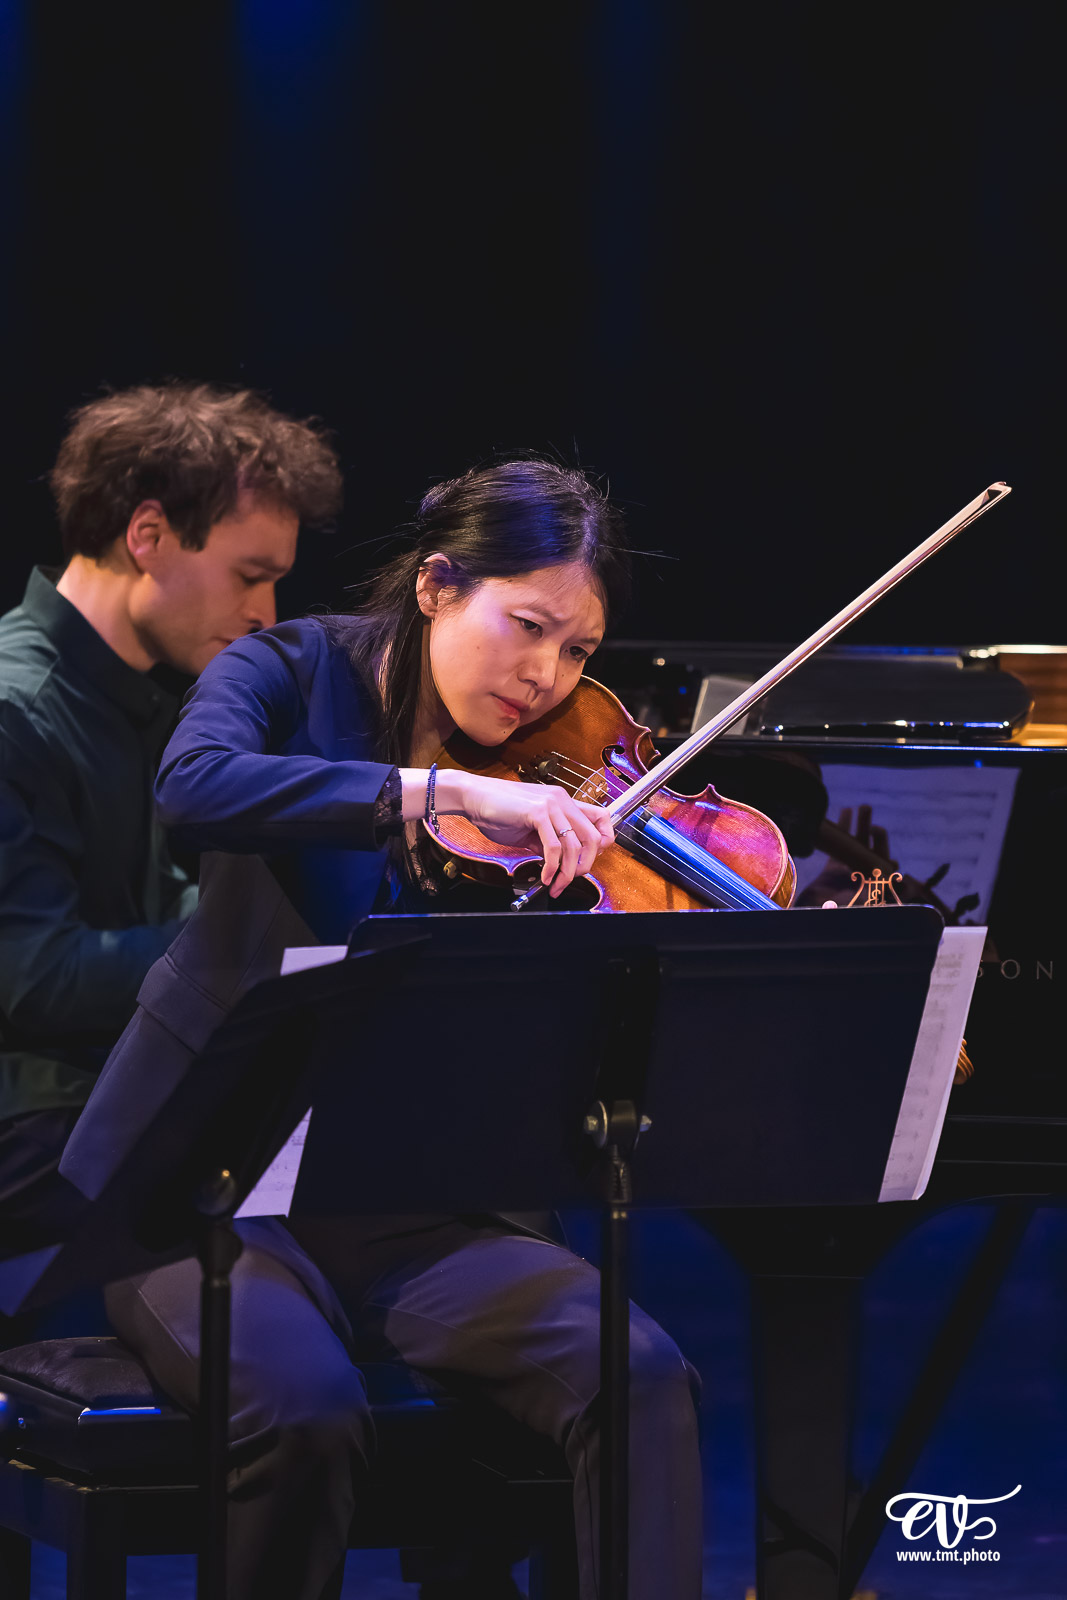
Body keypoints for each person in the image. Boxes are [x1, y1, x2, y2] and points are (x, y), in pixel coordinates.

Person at [61, 458, 704, 1600]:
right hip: (201, 1191)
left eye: (578, 651)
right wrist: (438, 790)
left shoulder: (549, 773)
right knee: (305, 1409)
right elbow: (194, 786)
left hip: (410, 1206)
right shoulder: (285, 667)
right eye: (528, 627)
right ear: (436, 586)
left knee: (638, 1371)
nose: (547, 677)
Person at [0, 382, 341, 1257]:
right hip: (36, 1121)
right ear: (147, 536)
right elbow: (32, 981)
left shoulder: (158, 698)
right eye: (250, 577)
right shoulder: (14, 710)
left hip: (123, 1093)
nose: (266, 615)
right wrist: (250, 938)